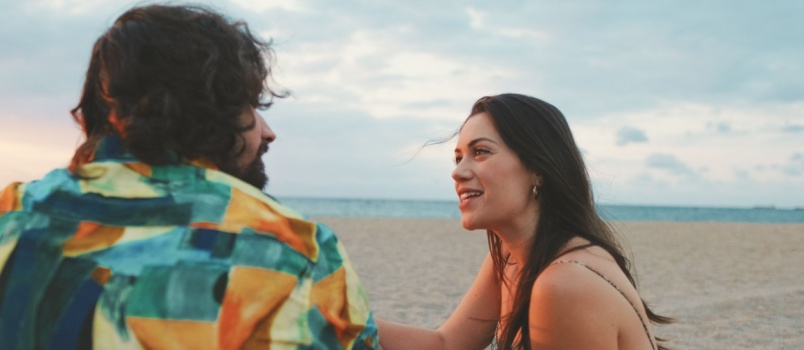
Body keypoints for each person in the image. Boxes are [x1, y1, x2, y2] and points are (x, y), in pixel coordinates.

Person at [0, 4, 377, 349]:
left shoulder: (12, 216)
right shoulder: (295, 246)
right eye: (251, 104)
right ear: (215, 108)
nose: (268, 132)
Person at [377, 94, 671, 350]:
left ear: (538, 169)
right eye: (458, 158)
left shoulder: (564, 283)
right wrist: (338, 316)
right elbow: (447, 344)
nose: (458, 172)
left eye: (480, 152)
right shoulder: (511, 257)